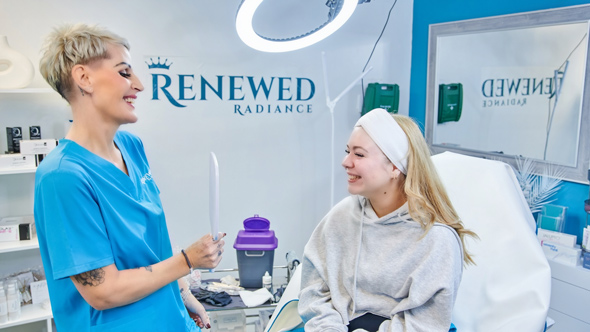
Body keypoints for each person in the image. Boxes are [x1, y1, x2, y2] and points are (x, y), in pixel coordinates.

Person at [34, 23, 225, 332]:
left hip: (170, 319)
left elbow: (151, 244)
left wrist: (183, 292)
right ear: (84, 78)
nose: (139, 85)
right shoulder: (62, 177)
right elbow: (103, 292)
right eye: (124, 73)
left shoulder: (131, 147)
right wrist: (188, 260)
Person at [298, 108, 477, 332]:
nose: (345, 162)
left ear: (394, 166)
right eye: (348, 151)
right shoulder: (340, 218)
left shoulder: (435, 238)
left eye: (359, 154)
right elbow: (314, 291)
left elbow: (424, 323)